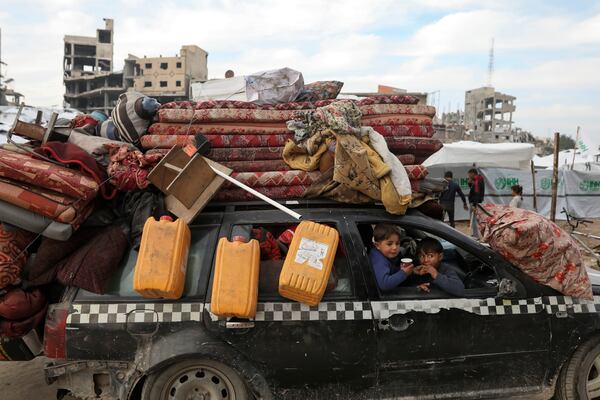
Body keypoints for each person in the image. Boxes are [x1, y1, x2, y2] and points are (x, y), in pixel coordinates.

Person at [368, 223, 414, 292]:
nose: (395, 247)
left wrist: (411, 271)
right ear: (377, 245)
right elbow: (384, 284)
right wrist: (403, 273)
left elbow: (391, 270)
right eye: (389, 244)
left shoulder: (384, 254)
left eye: (397, 243)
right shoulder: (378, 260)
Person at [467, 168, 485, 239]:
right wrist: (470, 183)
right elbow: (473, 190)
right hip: (477, 202)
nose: (468, 176)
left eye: (469, 175)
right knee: (475, 219)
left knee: (474, 219)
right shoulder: (478, 179)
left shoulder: (477, 180)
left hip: (475, 202)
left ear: (472, 173)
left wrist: (474, 205)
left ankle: (475, 235)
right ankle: (476, 234)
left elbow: (477, 193)